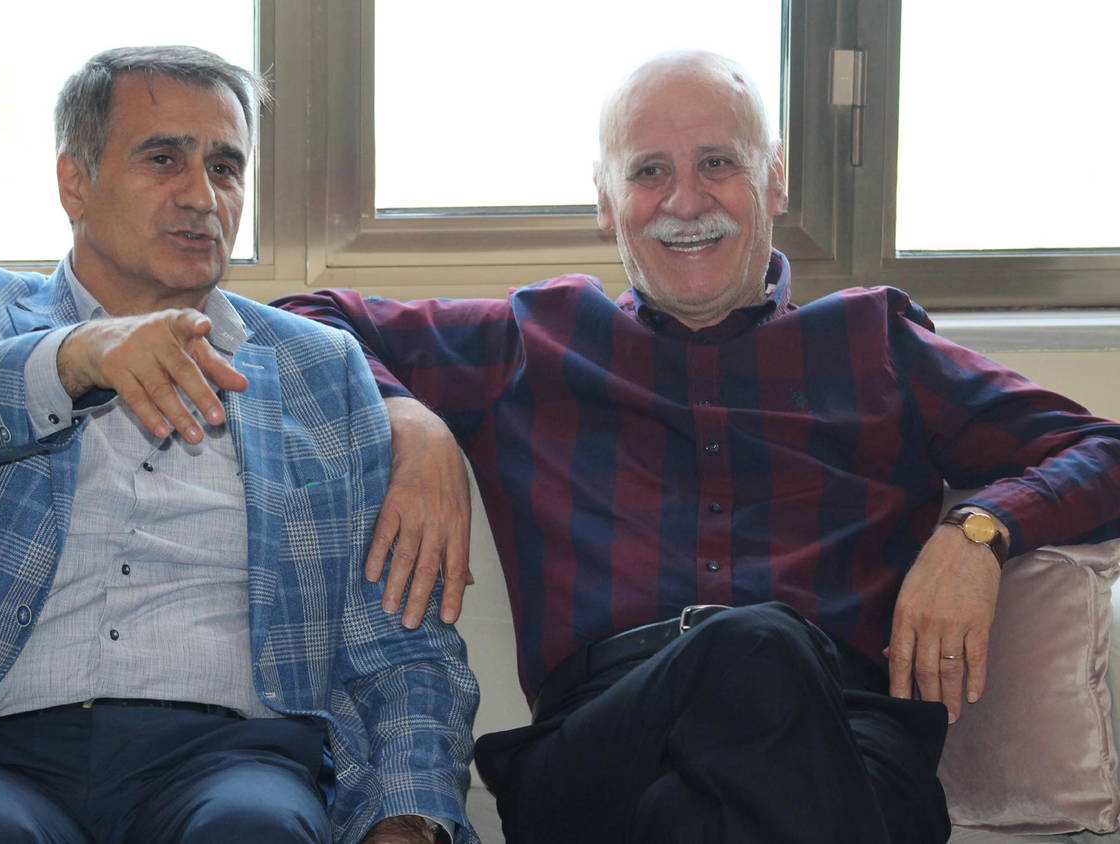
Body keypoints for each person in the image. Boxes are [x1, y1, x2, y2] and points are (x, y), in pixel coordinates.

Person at [275, 50, 1120, 843]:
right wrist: (410, 418)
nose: (684, 201)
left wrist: (978, 531)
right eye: (649, 172)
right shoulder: (535, 339)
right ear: (605, 200)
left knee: (710, 776)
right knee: (754, 647)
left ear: (774, 178)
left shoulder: (878, 345)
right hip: (605, 741)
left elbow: (1101, 450)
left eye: (718, 162)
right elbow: (300, 322)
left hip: (844, 736)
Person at [0, 46, 478, 844]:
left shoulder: (319, 369)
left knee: (256, 829)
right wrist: (79, 356)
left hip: (232, 758)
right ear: (75, 182)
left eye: (225, 167)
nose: (202, 196)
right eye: (164, 159)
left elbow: (401, 639)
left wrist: (407, 815)